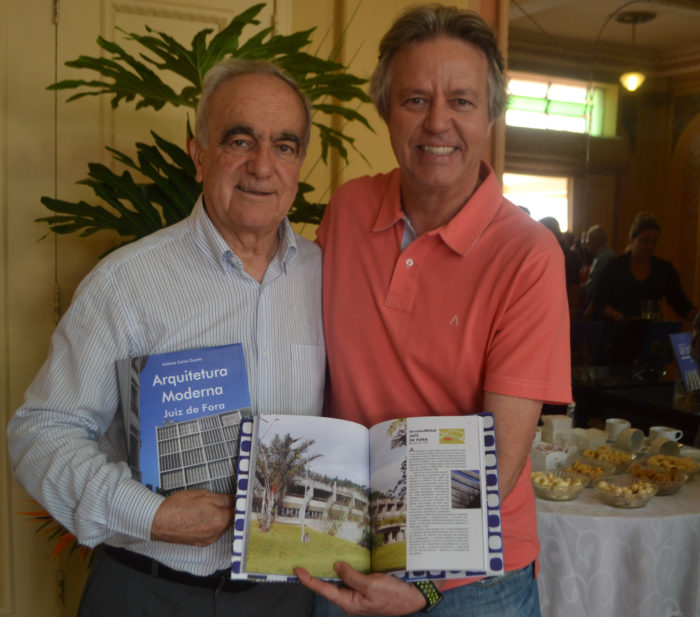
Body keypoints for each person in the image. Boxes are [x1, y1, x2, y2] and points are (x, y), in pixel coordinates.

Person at [7, 59, 325, 617]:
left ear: (299, 163)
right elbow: (41, 433)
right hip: (150, 592)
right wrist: (150, 515)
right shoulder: (127, 282)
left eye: (284, 145)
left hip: (290, 597)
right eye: (239, 139)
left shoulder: (332, 279)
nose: (261, 165)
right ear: (198, 155)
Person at [295, 5, 571, 616]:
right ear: (386, 110)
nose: (438, 122)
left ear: (492, 114)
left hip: (474, 583)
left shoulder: (528, 255)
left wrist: (423, 585)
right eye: (415, 99)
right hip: (351, 550)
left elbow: (499, 455)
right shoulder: (346, 210)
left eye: (463, 102)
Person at [592, 211, 697, 322]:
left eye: (653, 242)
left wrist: (696, 315)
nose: (649, 246)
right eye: (645, 241)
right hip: (619, 331)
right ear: (633, 238)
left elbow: (680, 303)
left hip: (652, 333)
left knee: (681, 338)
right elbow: (599, 301)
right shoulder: (615, 266)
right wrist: (613, 314)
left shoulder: (663, 269)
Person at [539, 216, 581, 312]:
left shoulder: (567, 255)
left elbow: (574, 287)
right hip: (561, 307)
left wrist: (572, 311)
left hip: (559, 307)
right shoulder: (568, 254)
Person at [581, 224, 616, 314]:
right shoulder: (600, 256)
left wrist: (592, 306)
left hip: (600, 306)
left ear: (598, 240)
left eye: (589, 239)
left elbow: (601, 285)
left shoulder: (605, 257)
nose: (587, 242)